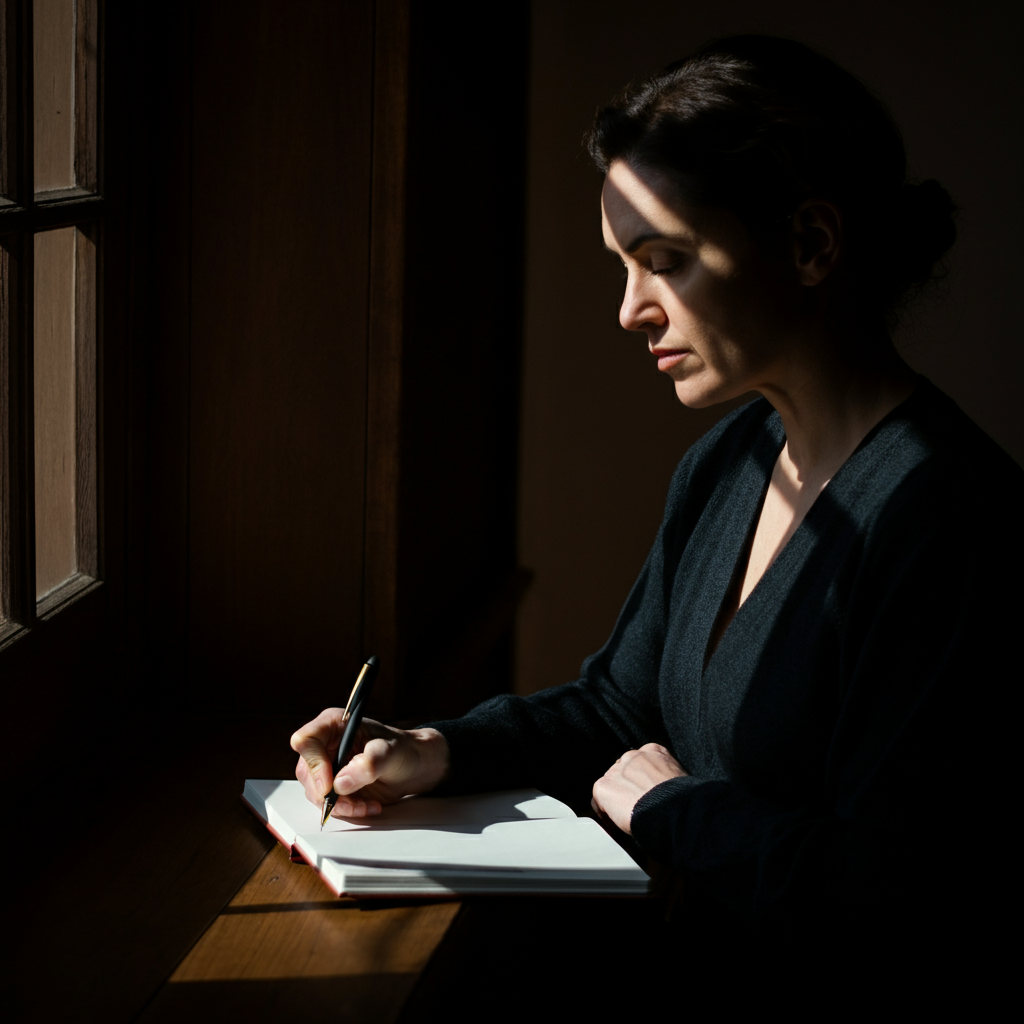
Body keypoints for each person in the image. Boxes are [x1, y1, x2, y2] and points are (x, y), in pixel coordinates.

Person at [291, 35, 1019, 993]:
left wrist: (675, 810)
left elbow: (893, 894)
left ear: (811, 244)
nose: (630, 309)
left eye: (662, 261)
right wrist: (437, 749)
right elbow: (618, 710)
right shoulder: (729, 462)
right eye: (620, 265)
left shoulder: (950, 522)